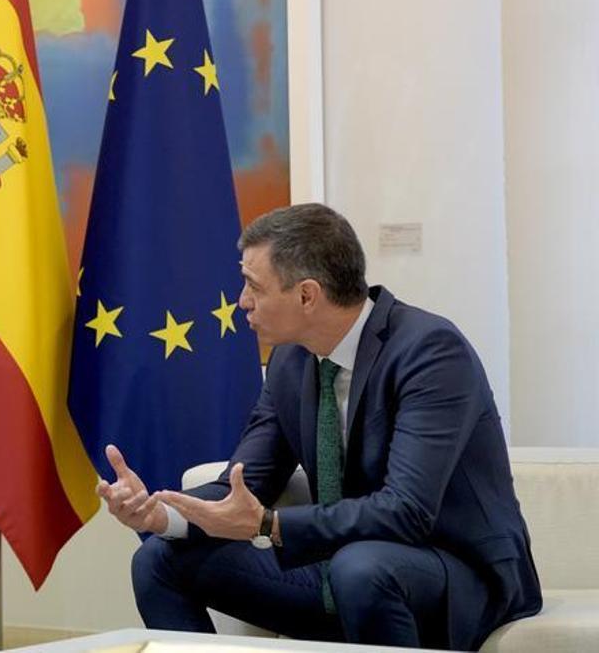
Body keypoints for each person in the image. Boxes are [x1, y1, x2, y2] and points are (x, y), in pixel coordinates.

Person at [98, 204, 541, 650]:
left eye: (253, 286)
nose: (241, 301)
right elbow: (246, 481)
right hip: (345, 570)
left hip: (455, 573)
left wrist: (270, 525)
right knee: (157, 558)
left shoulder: (430, 352)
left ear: (307, 295)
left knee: (360, 569)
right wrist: (165, 514)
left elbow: (406, 510)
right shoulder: (292, 359)